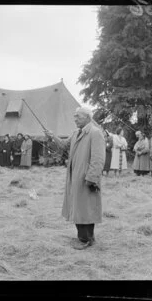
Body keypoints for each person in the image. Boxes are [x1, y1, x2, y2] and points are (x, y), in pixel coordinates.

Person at [44, 107, 105, 250]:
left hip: (86, 178)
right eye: (74, 116)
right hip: (75, 177)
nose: (75, 119)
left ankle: (88, 239)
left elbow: (98, 159)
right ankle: (81, 237)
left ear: (88, 117)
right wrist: (52, 136)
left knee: (87, 208)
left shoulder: (96, 133)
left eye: (78, 116)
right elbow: (64, 145)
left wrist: (91, 179)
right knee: (78, 207)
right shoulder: (76, 133)